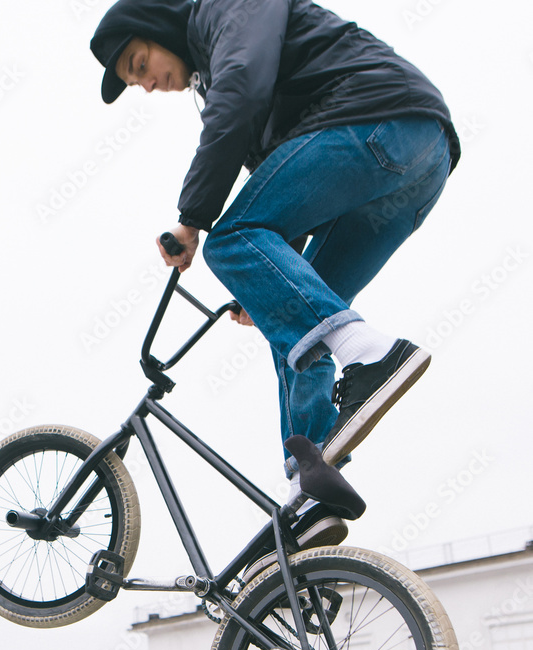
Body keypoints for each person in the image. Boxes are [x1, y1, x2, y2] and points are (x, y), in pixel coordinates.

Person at [90, 0, 460, 548]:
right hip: (412, 164)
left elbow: (241, 90)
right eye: (136, 81)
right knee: (291, 320)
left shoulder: (224, 13)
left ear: (157, 30)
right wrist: (265, 283)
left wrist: (194, 220)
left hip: (378, 121)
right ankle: (312, 484)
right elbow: (289, 181)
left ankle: (373, 354)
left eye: (140, 65)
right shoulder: (213, 68)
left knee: (231, 238)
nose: (146, 85)